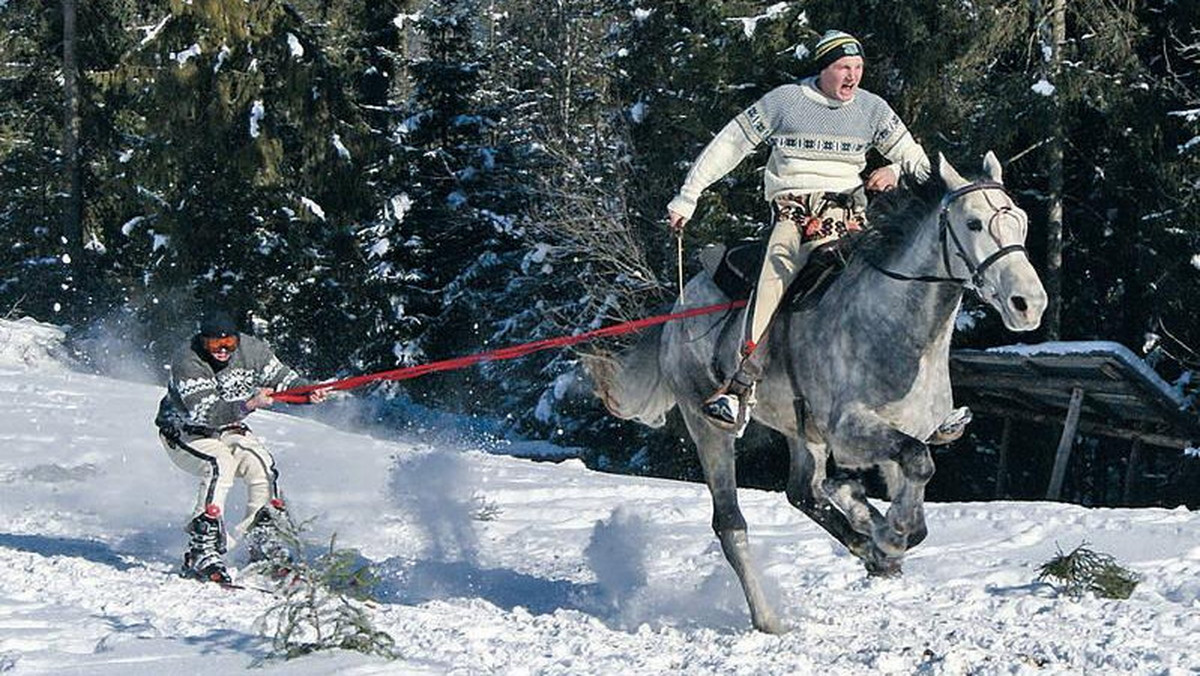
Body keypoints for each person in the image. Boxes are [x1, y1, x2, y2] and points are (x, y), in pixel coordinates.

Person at [667, 30, 932, 430]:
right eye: (844, 67)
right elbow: (730, 144)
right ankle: (739, 387)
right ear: (823, 68)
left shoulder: (874, 109)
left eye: (858, 68)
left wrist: (895, 168)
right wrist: (689, 196)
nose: (852, 77)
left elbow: (917, 159)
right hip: (796, 219)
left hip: (853, 223)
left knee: (900, 283)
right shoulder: (785, 102)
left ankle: (921, 396)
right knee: (773, 281)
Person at [155, 309, 330, 584]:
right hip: (185, 432)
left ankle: (262, 540)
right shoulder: (188, 360)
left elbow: (283, 379)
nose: (223, 350)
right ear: (203, 341)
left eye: (229, 344)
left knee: (261, 464)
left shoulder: (252, 350)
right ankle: (202, 548)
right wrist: (249, 404)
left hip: (228, 428)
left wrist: (307, 391)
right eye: (215, 345)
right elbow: (205, 412)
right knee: (219, 464)